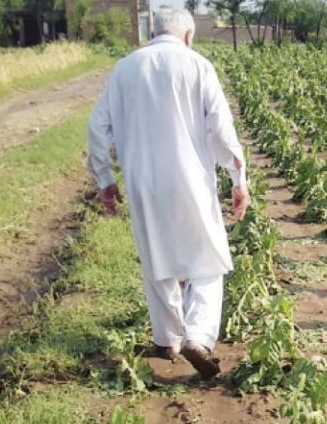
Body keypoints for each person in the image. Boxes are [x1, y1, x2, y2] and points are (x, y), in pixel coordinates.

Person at [86, 8, 250, 378]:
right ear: (188, 35)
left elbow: (97, 129)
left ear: (153, 32)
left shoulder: (125, 68)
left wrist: (104, 179)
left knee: (156, 257)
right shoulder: (197, 65)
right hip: (190, 179)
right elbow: (221, 130)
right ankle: (198, 336)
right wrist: (238, 177)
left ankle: (167, 341)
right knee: (207, 260)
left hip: (142, 180)